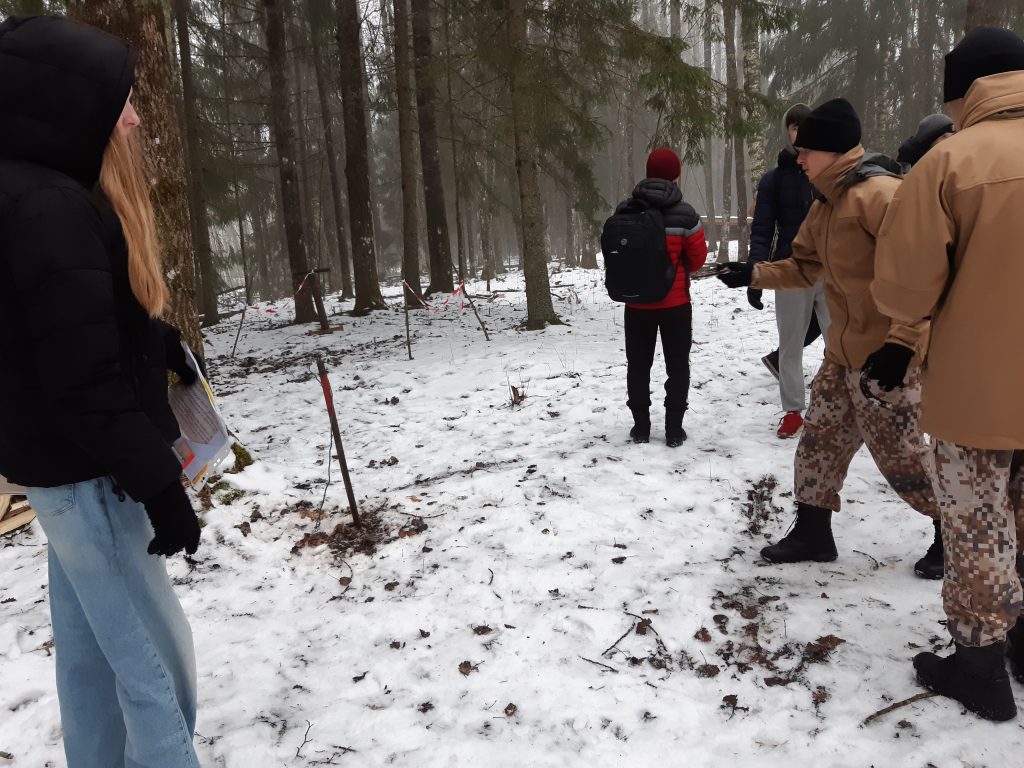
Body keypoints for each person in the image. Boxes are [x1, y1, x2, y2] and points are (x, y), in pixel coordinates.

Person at [0, 16, 203, 765]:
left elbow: (52, 333)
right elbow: (80, 381)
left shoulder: (29, 192)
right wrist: (160, 485)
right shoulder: (50, 207)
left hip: (62, 474)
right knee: (157, 670)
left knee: (90, 661)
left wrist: (152, 340)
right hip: (92, 479)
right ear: (68, 104)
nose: (136, 119)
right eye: (122, 103)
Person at [716, 98, 942, 578]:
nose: (799, 159)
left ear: (834, 151)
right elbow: (804, 266)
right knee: (818, 442)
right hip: (842, 355)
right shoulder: (826, 203)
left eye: (807, 152)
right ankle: (813, 533)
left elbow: (921, 273)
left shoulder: (880, 197)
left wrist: (904, 343)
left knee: (904, 460)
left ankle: (952, 534)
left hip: (887, 358)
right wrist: (753, 273)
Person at [870, 26, 1024, 722]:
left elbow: (905, 293)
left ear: (961, 92)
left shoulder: (949, 163)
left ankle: (979, 668)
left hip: (978, 390)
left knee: (980, 525)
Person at [747, 103, 830, 439]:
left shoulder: (829, 175)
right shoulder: (774, 180)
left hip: (832, 270)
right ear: (787, 132)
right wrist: (754, 275)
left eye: (804, 126)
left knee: (841, 341)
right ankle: (793, 411)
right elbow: (762, 229)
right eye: (794, 127)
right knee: (790, 344)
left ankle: (837, 404)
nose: (799, 132)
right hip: (791, 270)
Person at [618, 148, 708, 447]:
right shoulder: (686, 214)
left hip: (636, 303)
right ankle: (674, 431)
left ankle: (641, 429)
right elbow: (697, 259)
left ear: (648, 173)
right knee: (678, 366)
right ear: (676, 175)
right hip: (676, 304)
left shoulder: (626, 209)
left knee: (638, 366)